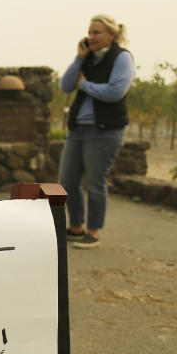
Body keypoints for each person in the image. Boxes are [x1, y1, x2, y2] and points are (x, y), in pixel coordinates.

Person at [58, 14, 135, 249]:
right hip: (78, 129)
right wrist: (78, 59)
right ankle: (76, 226)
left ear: (111, 35)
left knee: (95, 182)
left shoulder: (122, 58)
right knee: (67, 180)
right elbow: (65, 85)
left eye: (97, 32)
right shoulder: (87, 59)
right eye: (89, 32)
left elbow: (115, 92)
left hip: (105, 130)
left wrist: (85, 85)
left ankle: (92, 232)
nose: (91, 37)